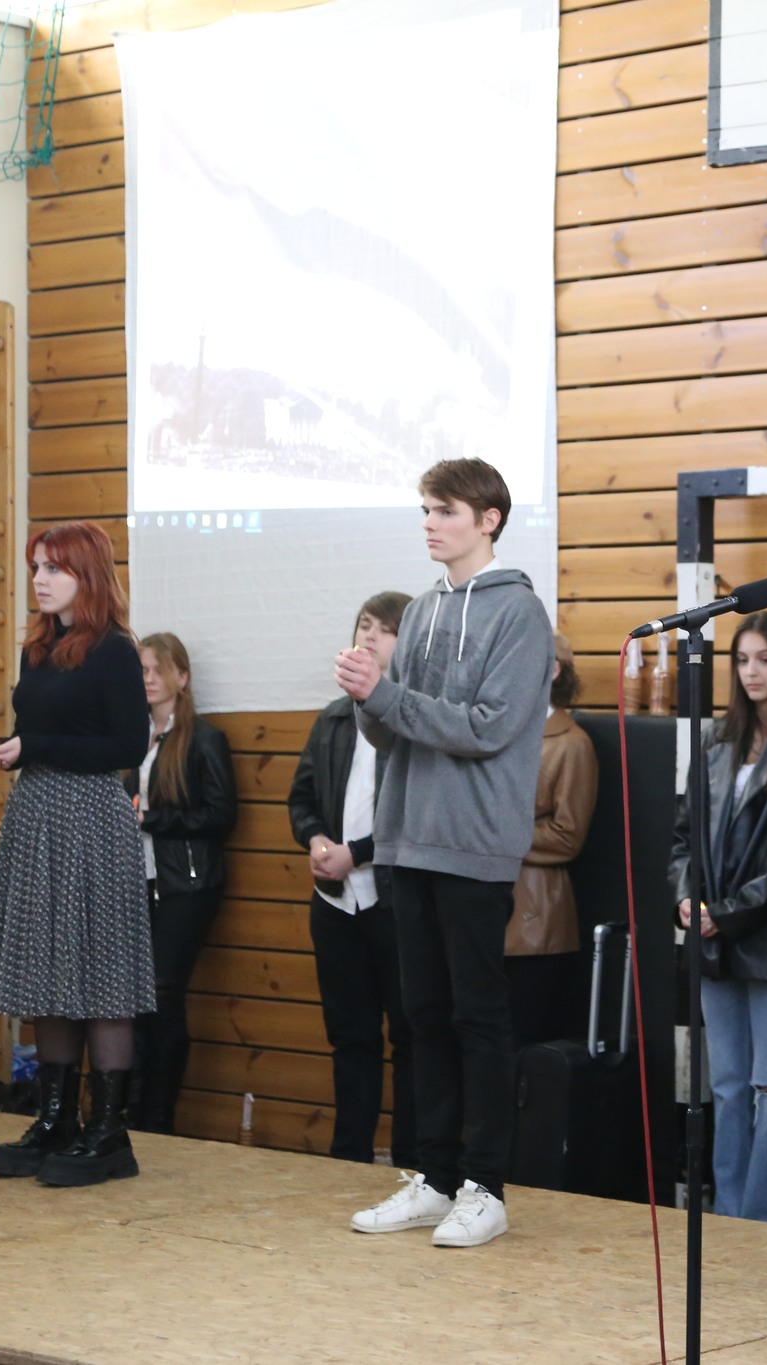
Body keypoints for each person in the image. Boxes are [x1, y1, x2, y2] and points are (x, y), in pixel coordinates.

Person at [339, 458, 553, 1250]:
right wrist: (368, 694)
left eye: (446, 510)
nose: (430, 523)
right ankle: (434, 1177)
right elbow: (393, 731)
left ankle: (484, 1186)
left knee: (476, 1016)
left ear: (488, 519)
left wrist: (387, 694)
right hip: (408, 838)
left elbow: (487, 727)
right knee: (422, 1016)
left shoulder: (520, 612)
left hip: (473, 842)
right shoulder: (424, 609)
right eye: (426, 509)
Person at [0, 521, 153, 1186]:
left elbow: (125, 746)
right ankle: (55, 1117)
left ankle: (108, 1129)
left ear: (88, 575)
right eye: (37, 567)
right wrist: (9, 746)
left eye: (54, 568)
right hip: (37, 813)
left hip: (90, 818)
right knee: (47, 966)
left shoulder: (114, 651)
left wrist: (35, 747)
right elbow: (39, 729)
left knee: (100, 969)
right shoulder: (39, 648)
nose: (40, 579)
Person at [669, 609, 767, 1225]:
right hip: (713, 936)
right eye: (741, 660)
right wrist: (687, 899)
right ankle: (730, 1214)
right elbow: (683, 836)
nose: (752, 672)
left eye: (764, 659)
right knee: (728, 1086)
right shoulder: (718, 740)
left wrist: (726, 914)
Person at [289, 591, 417, 1169]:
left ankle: (415, 1161)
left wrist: (356, 854)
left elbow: (415, 817)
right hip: (336, 903)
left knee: (410, 1038)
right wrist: (317, 842)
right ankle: (349, 1157)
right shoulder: (334, 718)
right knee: (350, 1037)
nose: (368, 637)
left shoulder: (413, 719)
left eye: (383, 629)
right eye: (363, 626)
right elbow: (301, 799)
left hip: (394, 901)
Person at [130, 631, 238, 1135]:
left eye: (158, 670)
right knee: (137, 1000)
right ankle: (133, 1112)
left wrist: (152, 820)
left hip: (188, 885)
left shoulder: (203, 739)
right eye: (142, 670)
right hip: (140, 880)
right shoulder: (132, 737)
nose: (149, 679)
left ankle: (159, 1116)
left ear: (182, 677)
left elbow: (220, 816)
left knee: (164, 991)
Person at [505, 633, 599, 1047]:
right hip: (487, 912)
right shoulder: (498, 731)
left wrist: (495, 836)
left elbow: (567, 836)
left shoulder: (573, 744)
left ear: (553, 669)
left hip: (536, 923)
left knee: (528, 1047)